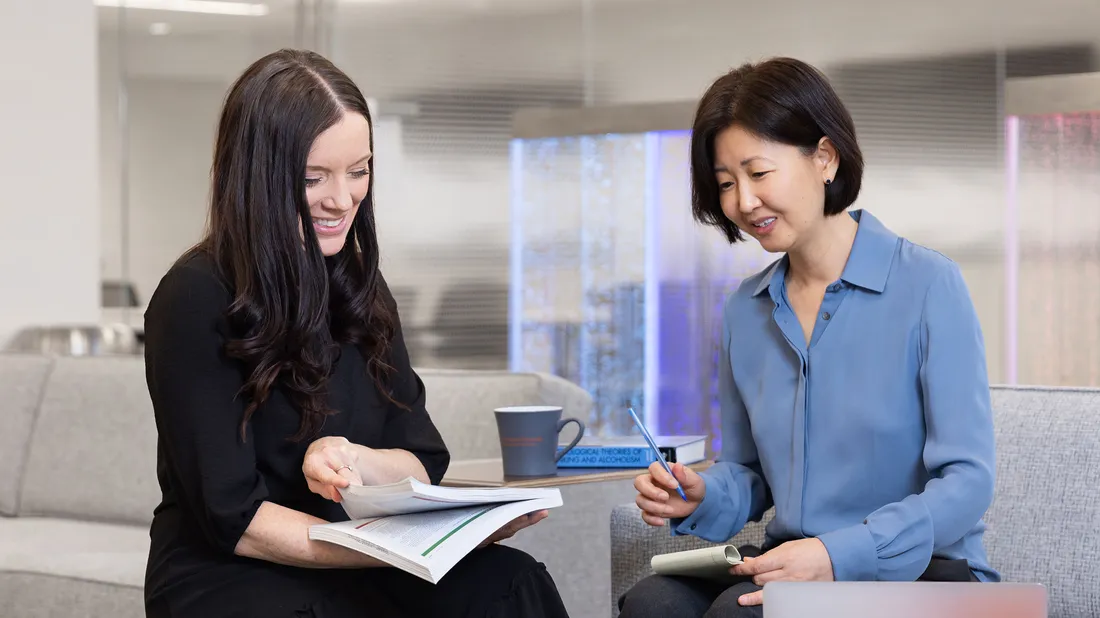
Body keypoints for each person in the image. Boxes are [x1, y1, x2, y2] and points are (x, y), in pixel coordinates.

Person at [142, 49, 570, 618]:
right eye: (313, 177)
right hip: (231, 572)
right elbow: (235, 521)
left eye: (359, 171)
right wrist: (396, 552)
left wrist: (356, 461)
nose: (342, 199)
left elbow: (422, 461)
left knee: (508, 584)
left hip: (356, 550)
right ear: (259, 178)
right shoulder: (194, 296)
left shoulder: (360, 284)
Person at [618, 57, 999, 618]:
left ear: (824, 157)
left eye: (759, 173)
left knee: (741, 614)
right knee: (655, 605)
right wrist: (703, 494)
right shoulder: (746, 309)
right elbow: (750, 473)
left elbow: (967, 481)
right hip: (791, 560)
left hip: (918, 570)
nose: (744, 202)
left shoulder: (927, 284)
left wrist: (838, 554)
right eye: (726, 183)